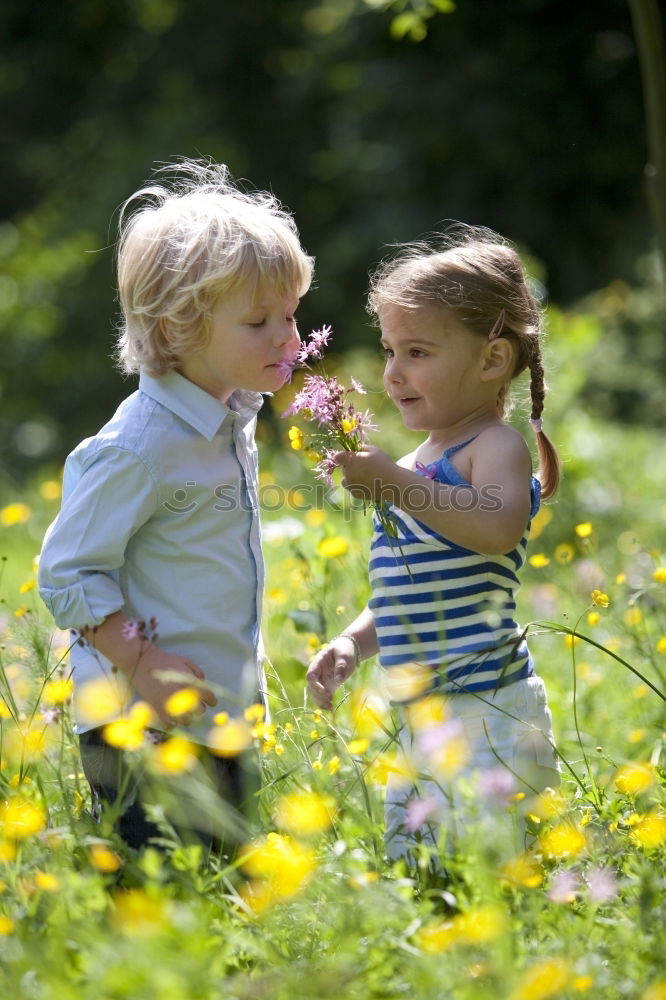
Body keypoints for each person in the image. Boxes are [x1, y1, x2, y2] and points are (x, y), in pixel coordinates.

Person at [38, 159, 313, 855]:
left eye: (290, 313)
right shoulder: (139, 445)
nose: (289, 336)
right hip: (142, 723)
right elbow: (67, 572)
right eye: (259, 321)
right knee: (157, 899)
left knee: (224, 894)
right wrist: (142, 663)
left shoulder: (230, 417)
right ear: (178, 327)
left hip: (214, 710)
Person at [307, 225, 560, 862]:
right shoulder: (420, 461)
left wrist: (394, 483)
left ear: (492, 361)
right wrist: (354, 642)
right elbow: (405, 584)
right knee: (417, 864)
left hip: (489, 707)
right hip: (420, 710)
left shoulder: (493, 447)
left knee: (496, 863)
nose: (393, 373)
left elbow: (497, 527)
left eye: (417, 352)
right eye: (390, 351)